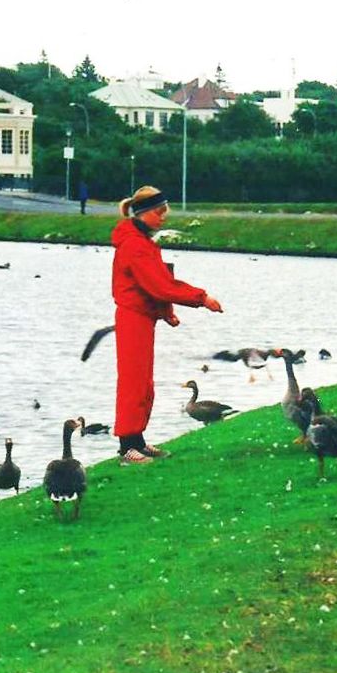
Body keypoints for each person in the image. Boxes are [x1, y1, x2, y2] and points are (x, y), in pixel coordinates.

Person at [111, 185, 223, 464]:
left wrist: (166, 312)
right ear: (145, 213)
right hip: (132, 318)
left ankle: (137, 440)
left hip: (142, 317)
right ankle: (127, 447)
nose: (163, 218)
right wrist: (202, 298)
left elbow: (155, 283)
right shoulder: (136, 246)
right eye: (160, 212)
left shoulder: (142, 242)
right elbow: (160, 285)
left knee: (143, 382)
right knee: (133, 382)